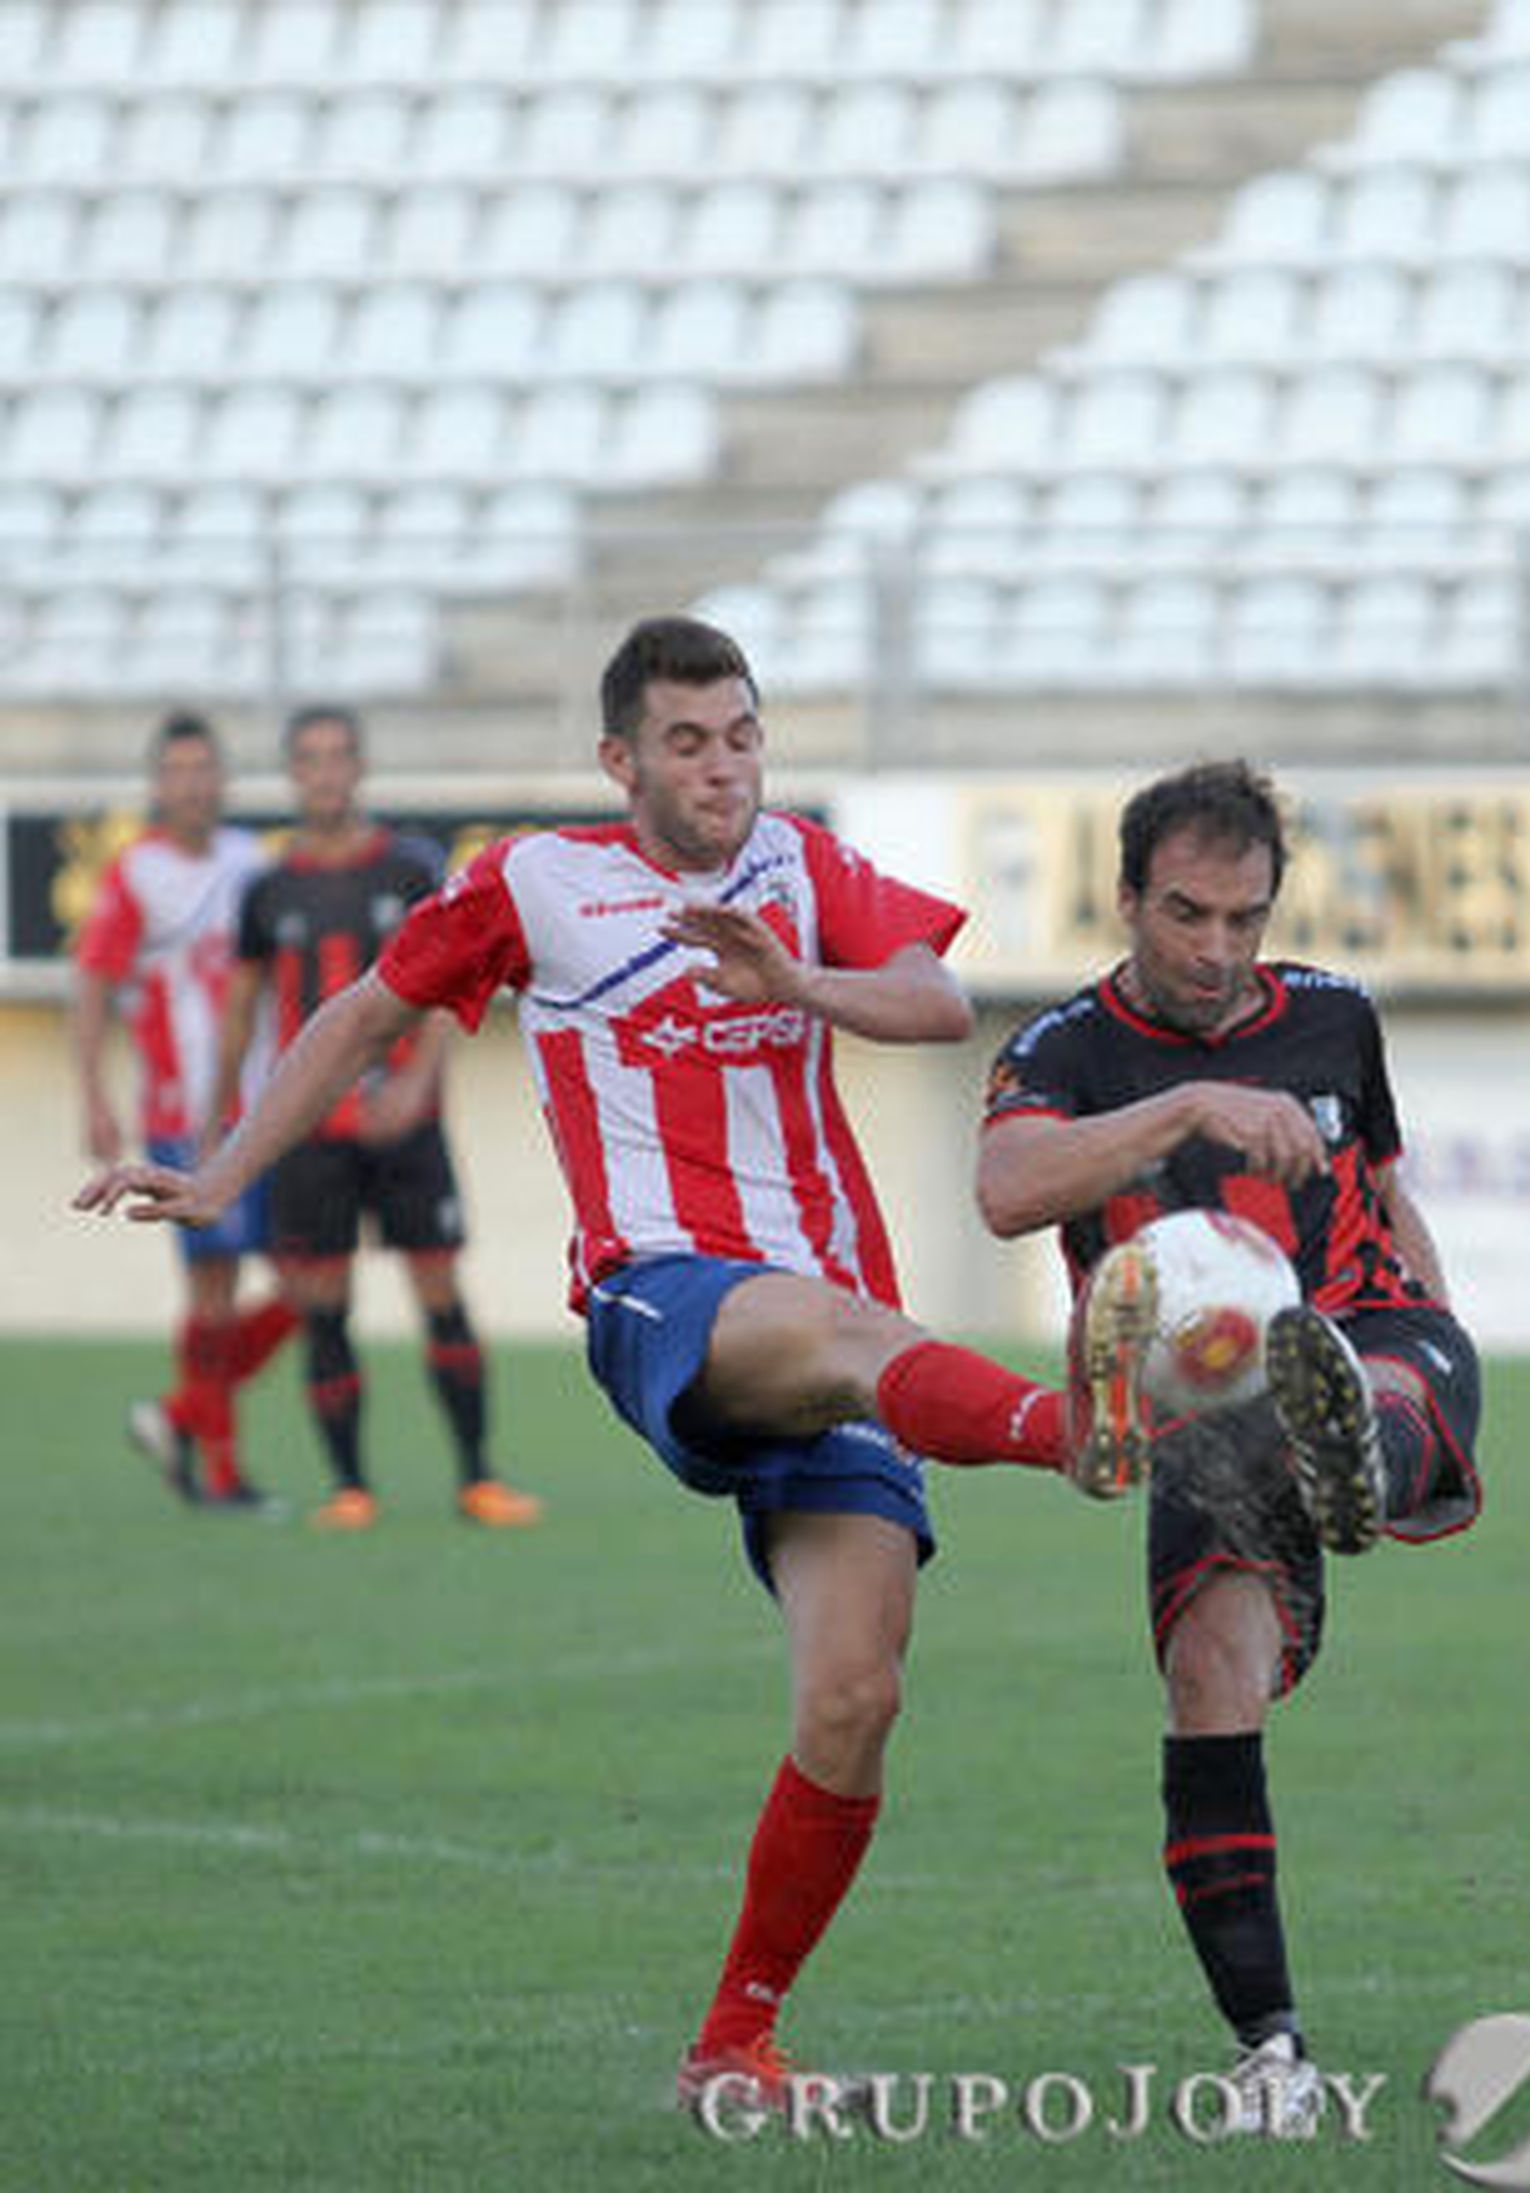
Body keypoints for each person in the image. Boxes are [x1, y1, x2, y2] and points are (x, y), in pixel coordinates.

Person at [78, 615, 1096, 2106]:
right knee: (854, 1333)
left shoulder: (803, 868)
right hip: (666, 1294)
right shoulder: (534, 882)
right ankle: (1082, 1428)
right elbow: (365, 1014)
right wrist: (222, 1173)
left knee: (855, 1697)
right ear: (621, 758)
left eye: (742, 733)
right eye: (688, 741)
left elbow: (938, 1003)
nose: (724, 766)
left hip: (836, 1325)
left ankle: (731, 2045)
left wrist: (792, 983)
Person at [977, 758, 1483, 2136]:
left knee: (1366, 1384)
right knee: (1213, 1680)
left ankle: (1361, 1456)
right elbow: (1009, 1189)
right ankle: (1273, 2051)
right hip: (1209, 1414)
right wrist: (1188, 1111)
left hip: (1373, 1333)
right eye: (1186, 915)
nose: (1215, 949)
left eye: (1244, 920)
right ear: (1128, 897)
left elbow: (1380, 1185)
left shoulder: (1333, 1017)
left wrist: (1432, 1315)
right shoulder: (1063, 1053)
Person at [205, 703, 541, 1534]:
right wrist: (222, 1119)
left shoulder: (409, 867)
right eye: (310, 758)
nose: (325, 772)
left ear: (359, 767)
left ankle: (477, 1477)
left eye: (338, 756)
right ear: (294, 773)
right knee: (322, 1300)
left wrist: (415, 1087)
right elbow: (242, 1007)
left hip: (405, 1124)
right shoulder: (267, 888)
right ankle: (350, 1487)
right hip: (310, 1135)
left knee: (439, 1288)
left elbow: (445, 986)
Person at [70, 710, 298, 1509]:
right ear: (157, 784)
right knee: (214, 1289)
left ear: (223, 779)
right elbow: (93, 981)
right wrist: (94, 1093)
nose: (194, 784)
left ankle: (174, 1416)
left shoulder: (250, 861)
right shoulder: (136, 873)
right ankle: (223, 1471)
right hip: (181, 1110)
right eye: (179, 771)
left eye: (206, 769)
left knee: (306, 1282)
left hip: (263, 1101)